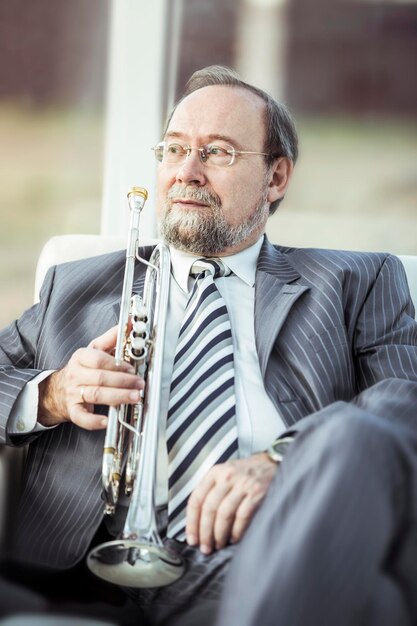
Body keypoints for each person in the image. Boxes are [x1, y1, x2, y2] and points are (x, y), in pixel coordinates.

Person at [0, 64, 416, 626]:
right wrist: (51, 393)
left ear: (276, 178)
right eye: (173, 149)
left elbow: (405, 401)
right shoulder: (75, 287)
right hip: (84, 576)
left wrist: (287, 459)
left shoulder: (357, 281)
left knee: (351, 440)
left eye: (217, 152)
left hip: (265, 556)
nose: (186, 173)